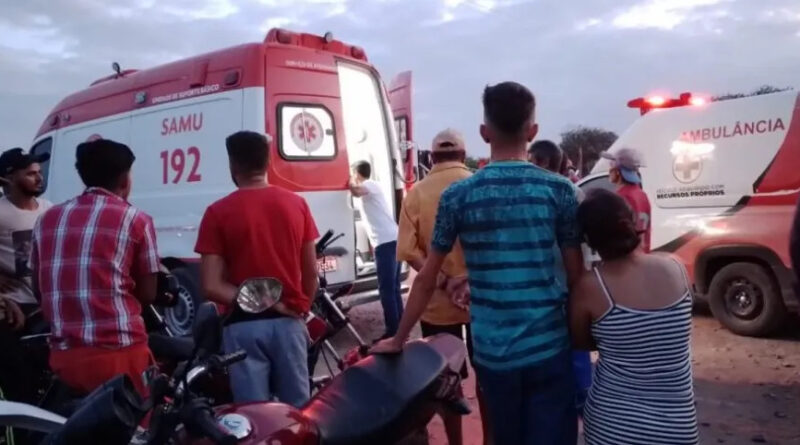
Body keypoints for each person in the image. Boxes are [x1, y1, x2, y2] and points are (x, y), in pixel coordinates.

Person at [373, 81, 583, 445]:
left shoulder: (460, 195)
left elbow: (424, 278)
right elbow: (576, 277)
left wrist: (398, 339)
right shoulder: (559, 190)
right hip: (550, 347)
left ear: (485, 133)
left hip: (494, 354)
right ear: (533, 132)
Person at [195, 131, 319, 407]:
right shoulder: (297, 204)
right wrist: (296, 310)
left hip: (243, 329)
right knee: (298, 414)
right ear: (267, 162)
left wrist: (264, 303)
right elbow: (311, 274)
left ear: (233, 165)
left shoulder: (218, 212)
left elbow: (211, 285)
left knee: (255, 417)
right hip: (290, 324)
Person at [31, 139, 160, 398]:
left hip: (63, 357)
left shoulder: (47, 219)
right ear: (125, 180)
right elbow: (148, 294)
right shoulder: (136, 219)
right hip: (120, 353)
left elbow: (39, 289)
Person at [569, 188, 699, 444]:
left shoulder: (590, 287)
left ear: (589, 240)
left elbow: (581, 342)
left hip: (613, 426)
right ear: (631, 222)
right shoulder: (677, 267)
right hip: (679, 428)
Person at [396, 128, 488, 445]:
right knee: (486, 372)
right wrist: (470, 279)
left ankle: (456, 442)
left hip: (435, 301)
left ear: (432, 158)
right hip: (482, 300)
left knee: (445, 379)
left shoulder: (417, 193)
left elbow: (408, 251)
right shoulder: (480, 186)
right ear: (463, 155)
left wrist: (444, 280)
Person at [528, 139, 591, 417]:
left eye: (531, 161)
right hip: (574, 281)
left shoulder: (541, 193)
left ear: (541, 162)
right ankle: (582, 399)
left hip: (551, 282)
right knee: (577, 343)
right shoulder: (575, 192)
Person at [348, 161, 403, 339]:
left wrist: (348, 179)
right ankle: (401, 327)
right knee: (393, 288)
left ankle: (393, 332)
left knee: (386, 290)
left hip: (386, 242)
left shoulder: (368, 184)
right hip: (392, 239)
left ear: (357, 172)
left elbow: (356, 191)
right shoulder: (374, 186)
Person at [602, 147, 651, 252]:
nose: (609, 171)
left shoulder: (620, 197)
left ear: (618, 172)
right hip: (643, 255)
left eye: (611, 167)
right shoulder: (642, 194)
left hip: (627, 259)